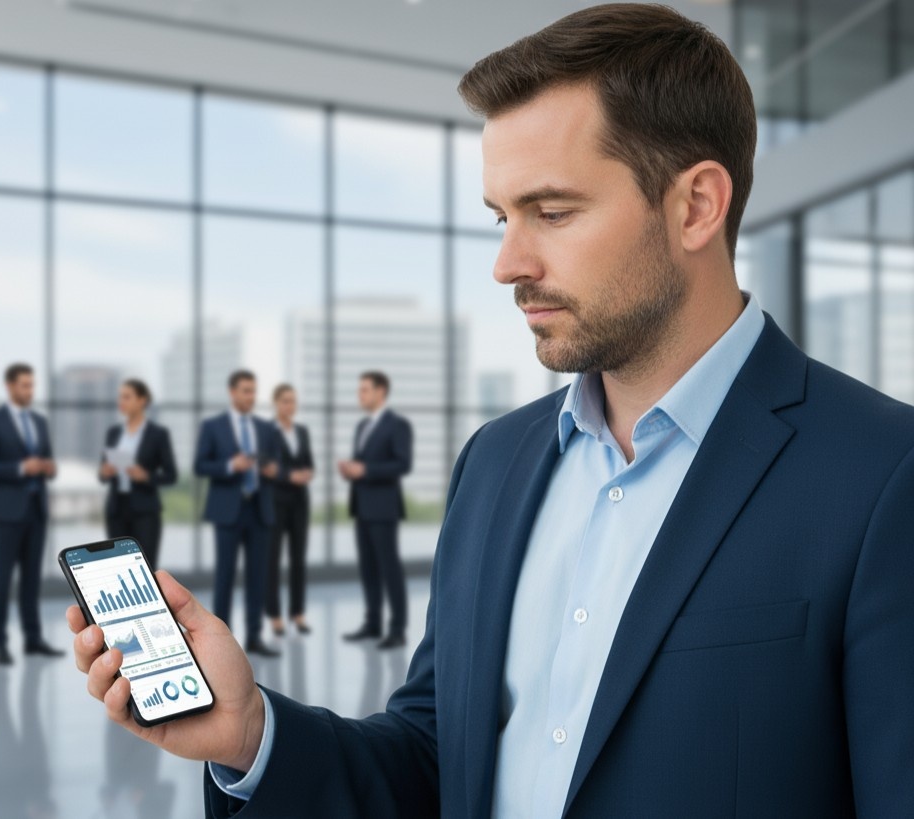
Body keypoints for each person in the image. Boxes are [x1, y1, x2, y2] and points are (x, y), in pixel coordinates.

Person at [70, 5, 914, 816]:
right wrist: (253, 733)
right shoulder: (497, 462)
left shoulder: (882, 477)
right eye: (501, 217)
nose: (508, 263)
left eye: (552, 212)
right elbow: (437, 758)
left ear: (695, 205)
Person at [0, 363, 62, 665]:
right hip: (7, 511)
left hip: (36, 511)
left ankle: (33, 639)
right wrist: (21, 468)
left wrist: (49, 467)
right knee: (2, 577)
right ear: (10, 386)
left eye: (32, 385)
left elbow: (48, 460)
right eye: (24, 385)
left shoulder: (39, 421)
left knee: (32, 579)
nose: (30, 391)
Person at [194, 370, 282, 657]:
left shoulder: (266, 429)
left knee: (258, 575)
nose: (251, 397)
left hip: (259, 509)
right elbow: (201, 465)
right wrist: (231, 466)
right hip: (228, 510)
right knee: (225, 575)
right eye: (245, 391)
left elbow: (276, 466)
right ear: (232, 392)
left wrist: (271, 471)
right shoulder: (213, 426)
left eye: (254, 391)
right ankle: (221, 638)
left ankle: (255, 636)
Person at [337, 371, 413, 650]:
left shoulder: (397, 425)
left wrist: (365, 470)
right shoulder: (362, 426)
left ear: (381, 391)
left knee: (389, 568)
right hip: (362, 506)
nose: (361, 395)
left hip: (383, 508)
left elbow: (402, 464)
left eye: (365, 390)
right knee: (368, 569)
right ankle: (372, 624)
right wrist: (352, 471)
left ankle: (397, 629)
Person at [98, 379, 178, 568]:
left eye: (127, 397)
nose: (121, 401)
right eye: (120, 397)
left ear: (142, 400)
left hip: (145, 511)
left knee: (145, 567)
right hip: (116, 509)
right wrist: (105, 471)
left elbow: (171, 474)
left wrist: (147, 476)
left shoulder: (158, 434)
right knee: (118, 567)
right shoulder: (114, 432)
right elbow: (101, 475)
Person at [265, 384, 315, 637]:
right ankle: (274, 616)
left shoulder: (302, 432)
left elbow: (309, 464)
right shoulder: (267, 432)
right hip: (276, 502)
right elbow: (265, 466)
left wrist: (306, 474)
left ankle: (298, 613)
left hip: (299, 503)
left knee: (298, 559)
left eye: (293, 401)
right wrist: (290, 475)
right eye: (285, 401)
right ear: (276, 403)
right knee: (272, 559)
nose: (289, 406)